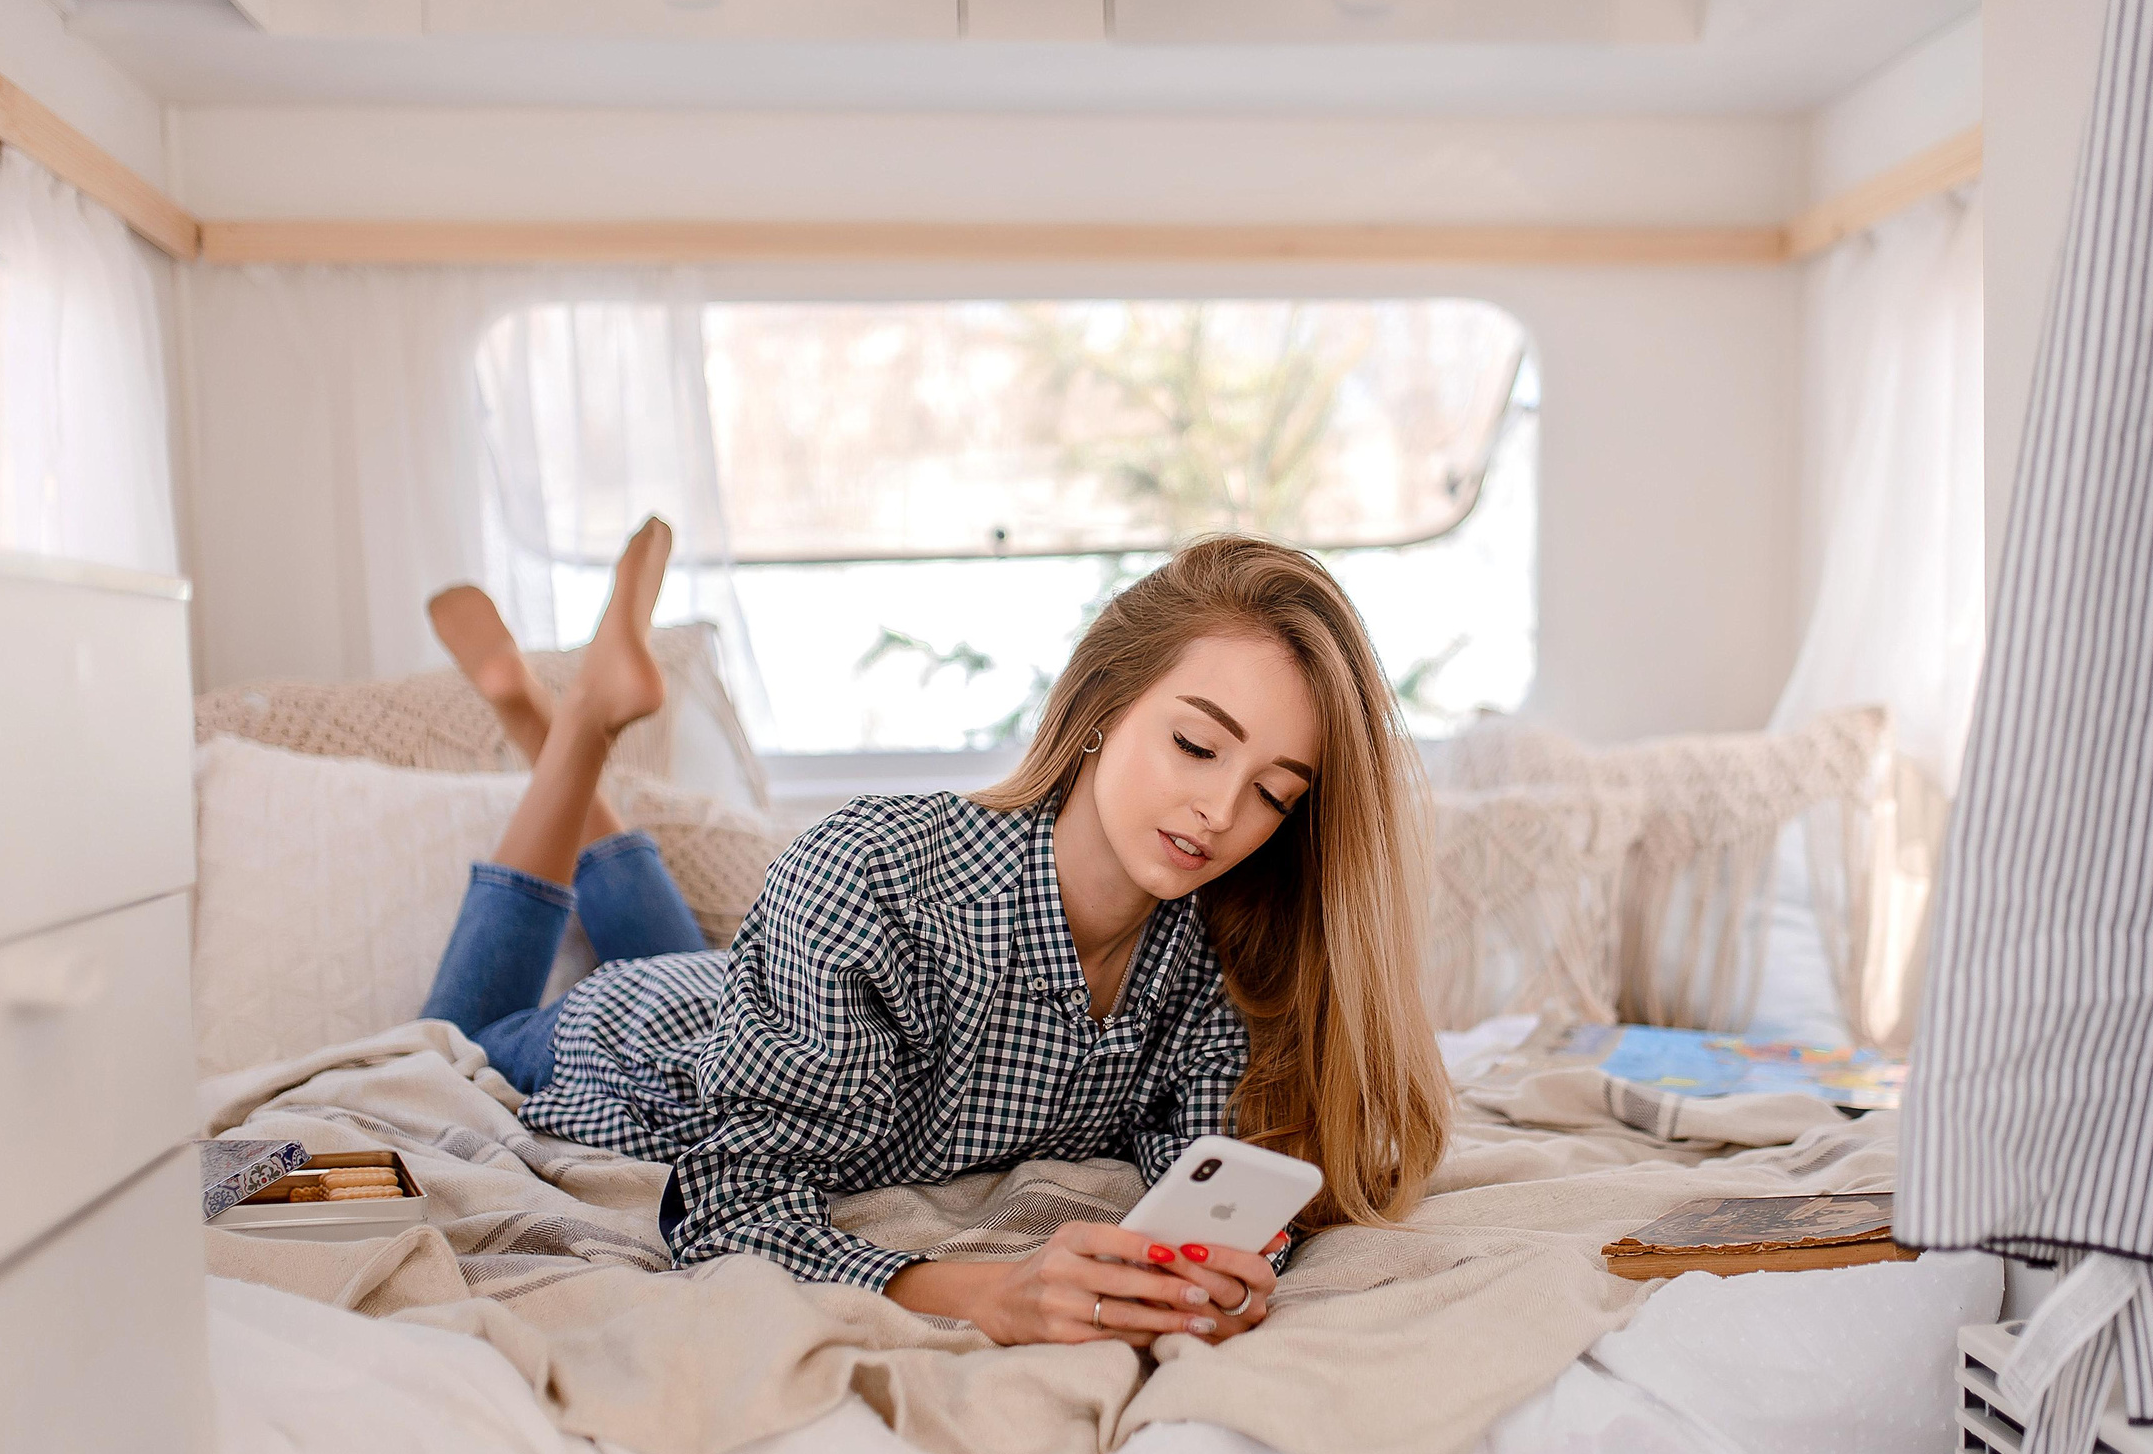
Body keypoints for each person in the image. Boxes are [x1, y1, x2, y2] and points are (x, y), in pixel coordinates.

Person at [418, 521, 1449, 1347]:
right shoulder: (871, 872)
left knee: (695, 954)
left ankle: (565, 720)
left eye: (1272, 792)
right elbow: (725, 1205)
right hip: (636, 1043)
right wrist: (980, 1291)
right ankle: (558, 716)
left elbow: (1206, 1167)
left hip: (751, 984)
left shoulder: (1212, 954)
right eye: (1193, 744)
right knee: (450, 1031)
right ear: (1102, 704)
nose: (1221, 811)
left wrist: (1217, 1264)